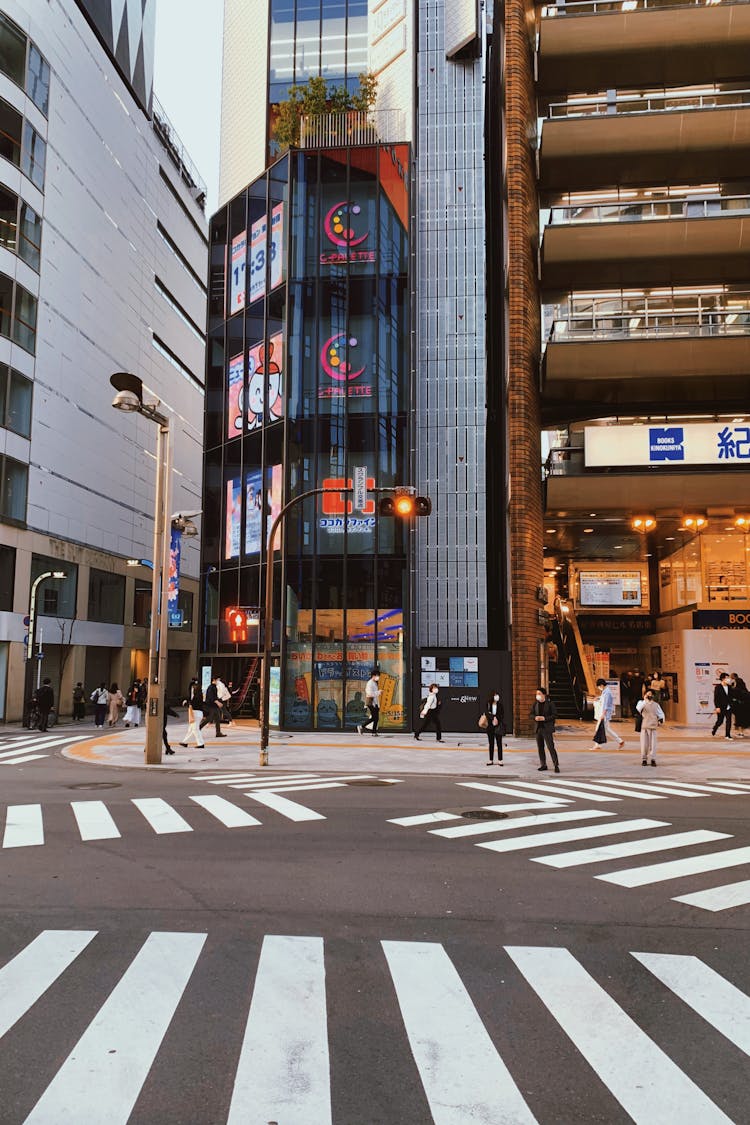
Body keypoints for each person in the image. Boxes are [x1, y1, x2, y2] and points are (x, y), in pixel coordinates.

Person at [531, 686, 559, 772]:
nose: (537, 695)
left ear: (544, 695)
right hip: (538, 729)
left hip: (547, 729)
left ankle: (556, 765)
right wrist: (535, 717)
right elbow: (531, 714)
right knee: (540, 747)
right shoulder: (535, 704)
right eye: (536, 694)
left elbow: (555, 715)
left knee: (550, 747)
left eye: (539, 694)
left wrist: (544, 718)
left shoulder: (550, 704)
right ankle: (543, 764)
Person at [591, 678, 624, 750]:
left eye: (599, 687)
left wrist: (603, 714)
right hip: (605, 713)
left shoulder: (607, 692)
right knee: (607, 729)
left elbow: (605, 704)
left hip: (605, 714)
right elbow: (603, 700)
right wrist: (598, 698)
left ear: (602, 685)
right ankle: (620, 741)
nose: (599, 688)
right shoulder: (605, 692)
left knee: (598, 728)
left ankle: (597, 745)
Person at [636, 689, 664, 766]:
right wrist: (645, 700)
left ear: (653, 696)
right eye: (648, 694)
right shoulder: (641, 703)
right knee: (644, 744)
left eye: (651, 694)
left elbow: (661, 714)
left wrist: (661, 720)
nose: (649, 696)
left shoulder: (656, 705)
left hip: (653, 726)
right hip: (644, 726)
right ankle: (644, 759)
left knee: (653, 744)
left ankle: (653, 759)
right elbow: (638, 709)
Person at [180, 678, 205, 748]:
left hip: (196, 713)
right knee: (191, 729)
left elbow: (193, 704)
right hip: (197, 713)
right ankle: (185, 742)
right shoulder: (199, 695)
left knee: (195, 729)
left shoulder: (196, 697)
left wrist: (186, 703)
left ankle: (201, 743)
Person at [358, 670, 381, 736]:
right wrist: (378, 692)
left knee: (376, 718)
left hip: (375, 702)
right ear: (373, 676)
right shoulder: (370, 683)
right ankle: (362, 726)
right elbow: (370, 693)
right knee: (374, 717)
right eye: (377, 676)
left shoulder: (374, 683)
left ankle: (373, 732)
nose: (378, 677)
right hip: (371, 702)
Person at [484, 691, 504, 765]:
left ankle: (500, 760)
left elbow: (502, 715)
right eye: (495, 695)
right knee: (491, 743)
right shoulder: (488, 704)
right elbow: (486, 713)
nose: (497, 696)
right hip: (490, 726)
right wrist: (493, 718)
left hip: (498, 726)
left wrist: (497, 719)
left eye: (497, 695)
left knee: (499, 743)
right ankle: (491, 759)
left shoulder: (500, 705)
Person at [711, 673, 733, 739]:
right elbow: (716, 698)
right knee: (720, 721)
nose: (729, 679)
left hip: (729, 707)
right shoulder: (718, 687)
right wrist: (717, 707)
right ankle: (715, 728)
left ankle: (727, 735)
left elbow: (731, 696)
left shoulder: (730, 687)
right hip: (721, 707)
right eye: (727, 678)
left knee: (729, 721)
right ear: (723, 679)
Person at [730, 672, 750, 737]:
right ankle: (741, 732)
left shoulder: (737, 689)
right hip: (743, 707)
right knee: (742, 720)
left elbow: (734, 694)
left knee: (740, 720)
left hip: (740, 707)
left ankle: (741, 733)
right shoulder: (745, 690)